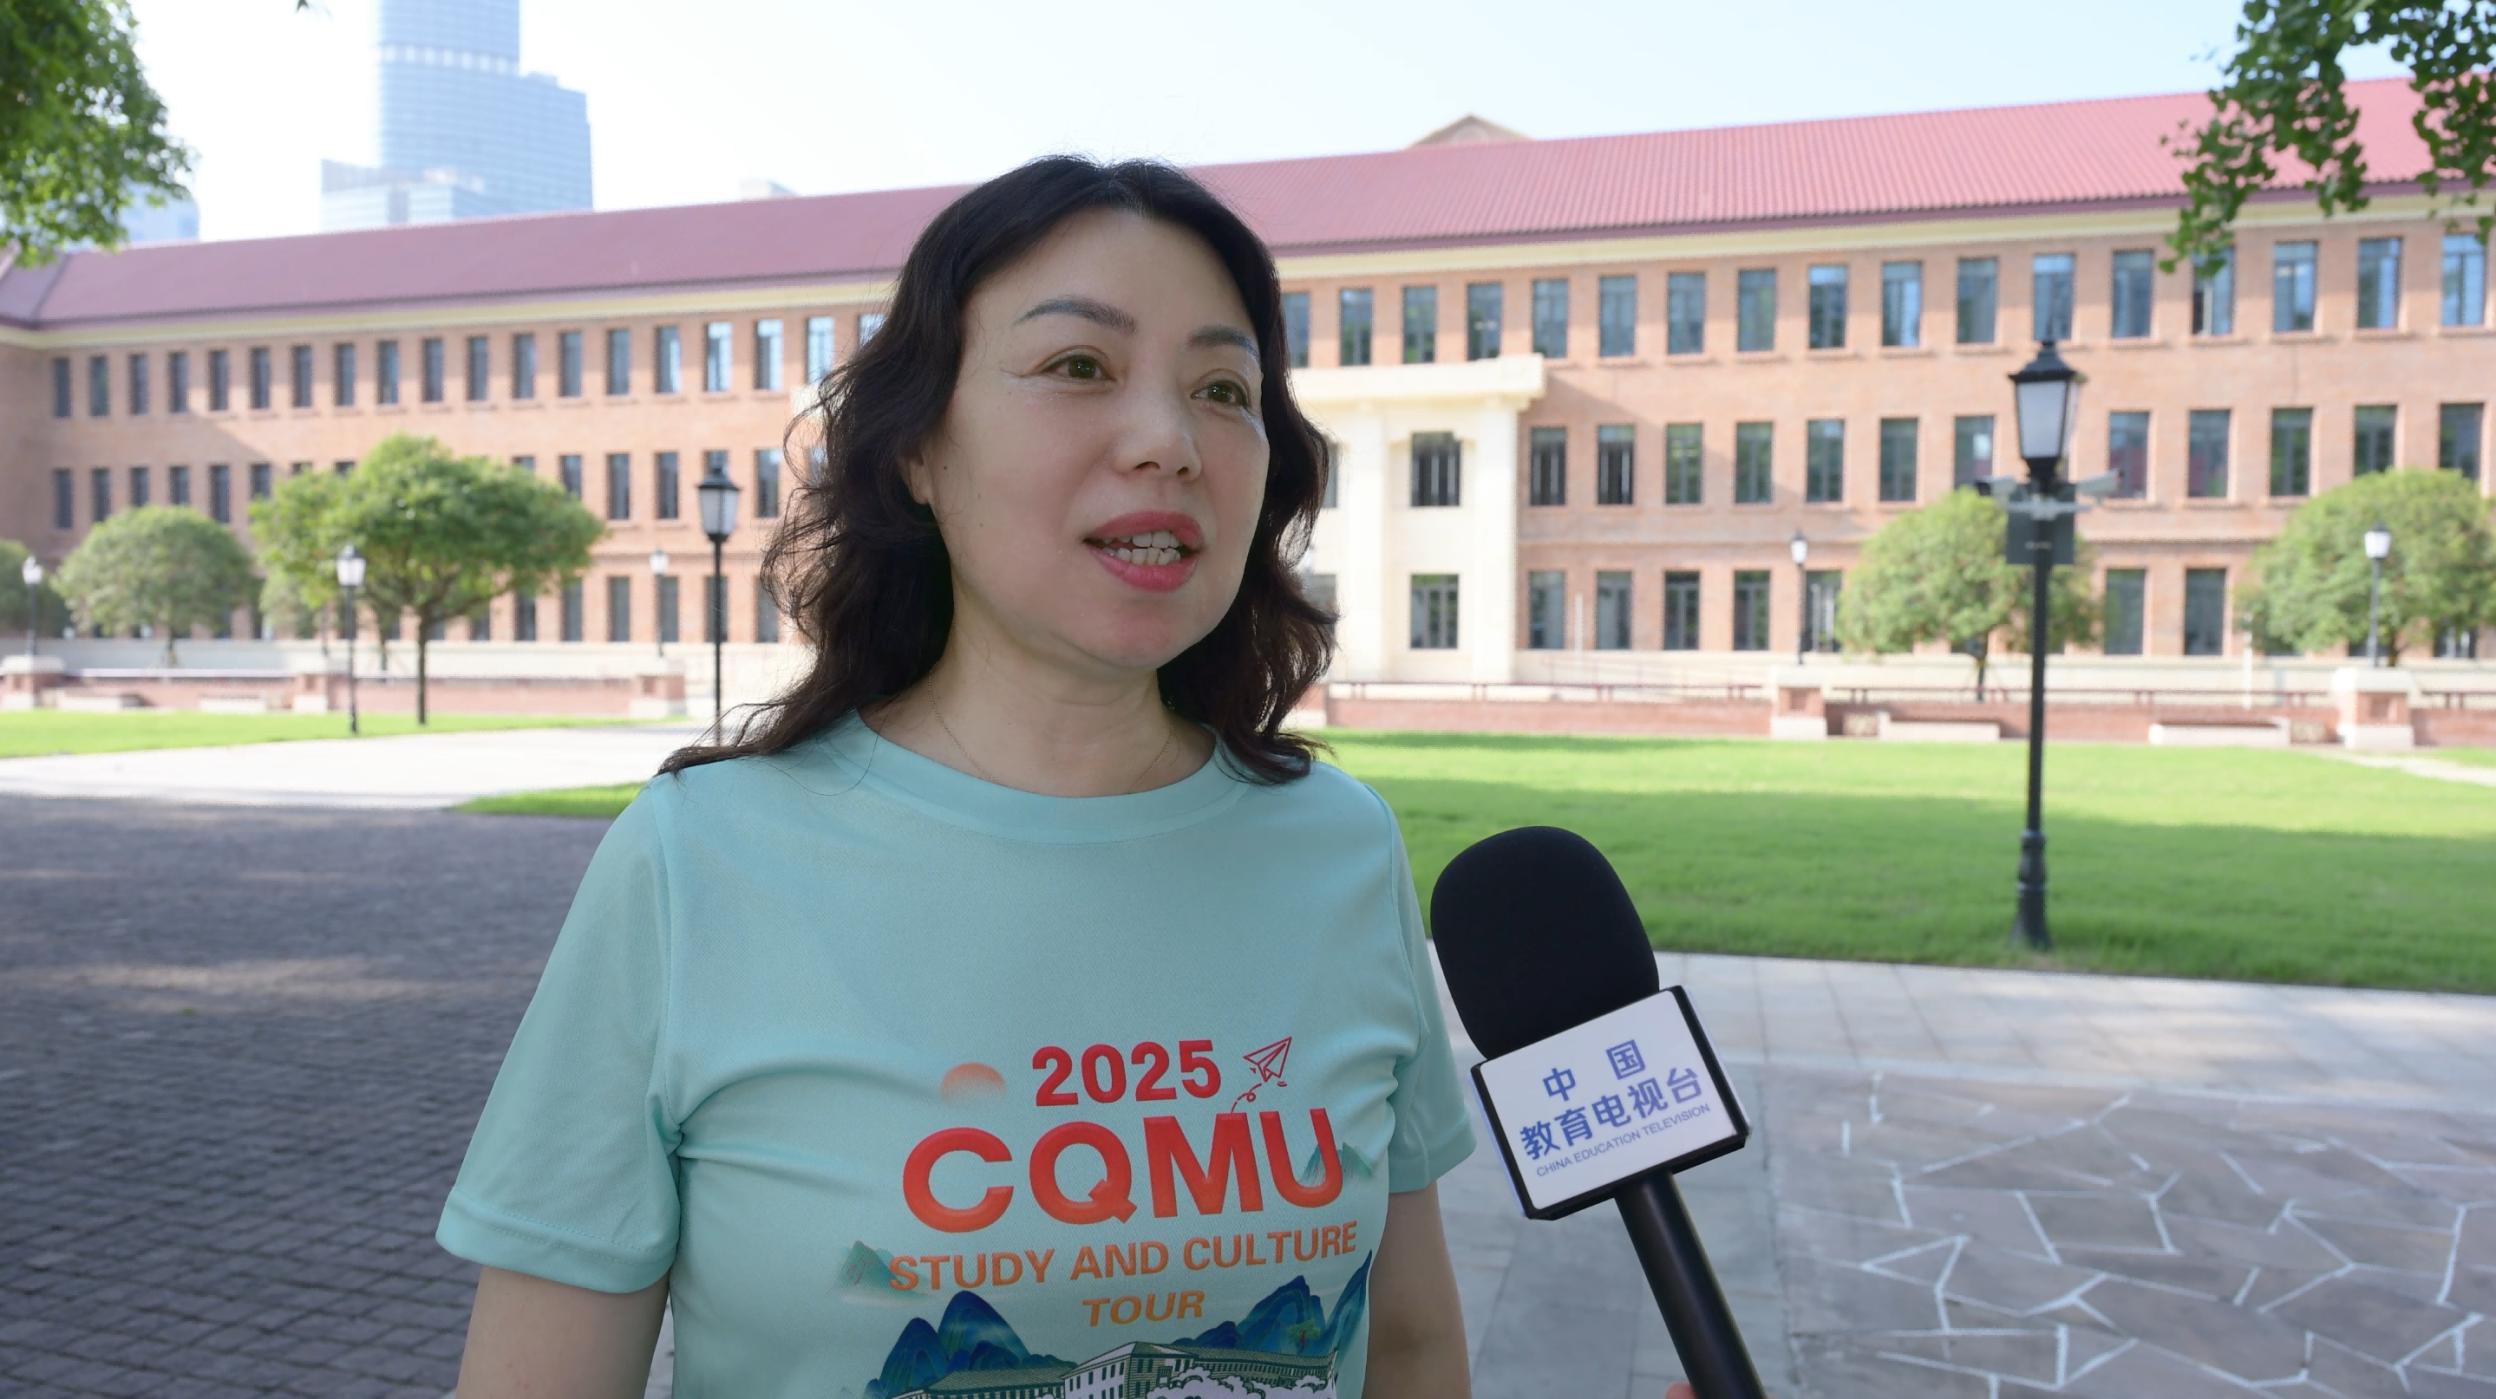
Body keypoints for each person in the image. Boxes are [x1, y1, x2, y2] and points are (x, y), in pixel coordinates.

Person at [435, 155, 1483, 1398]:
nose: (1169, 441)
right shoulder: (697, 861)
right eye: (1078, 366)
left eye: (1223, 389)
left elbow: (1409, 1346)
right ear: (919, 450)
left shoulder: (1339, 849)